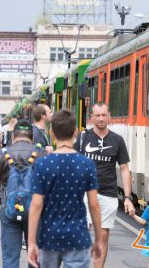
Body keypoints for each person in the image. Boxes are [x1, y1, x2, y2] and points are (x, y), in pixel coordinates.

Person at [28, 109, 102, 268]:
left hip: (48, 236)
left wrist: (31, 242)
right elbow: (94, 204)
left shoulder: (42, 164)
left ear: (52, 134)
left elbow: (36, 205)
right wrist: (99, 240)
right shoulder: (86, 164)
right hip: (78, 237)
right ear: (75, 132)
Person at [74, 102, 135, 268]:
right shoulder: (82, 138)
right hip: (84, 194)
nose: (101, 119)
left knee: (102, 237)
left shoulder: (117, 140)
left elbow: (124, 169)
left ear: (109, 116)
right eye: (97, 115)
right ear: (91, 117)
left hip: (108, 194)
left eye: (104, 115)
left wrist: (128, 198)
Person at [0, 119, 47, 268]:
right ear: (32, 136)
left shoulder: (2, 154)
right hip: (36, 211)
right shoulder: (42, 154)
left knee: (10, 257)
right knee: (36, 257)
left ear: (13, 136)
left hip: (9, 209)